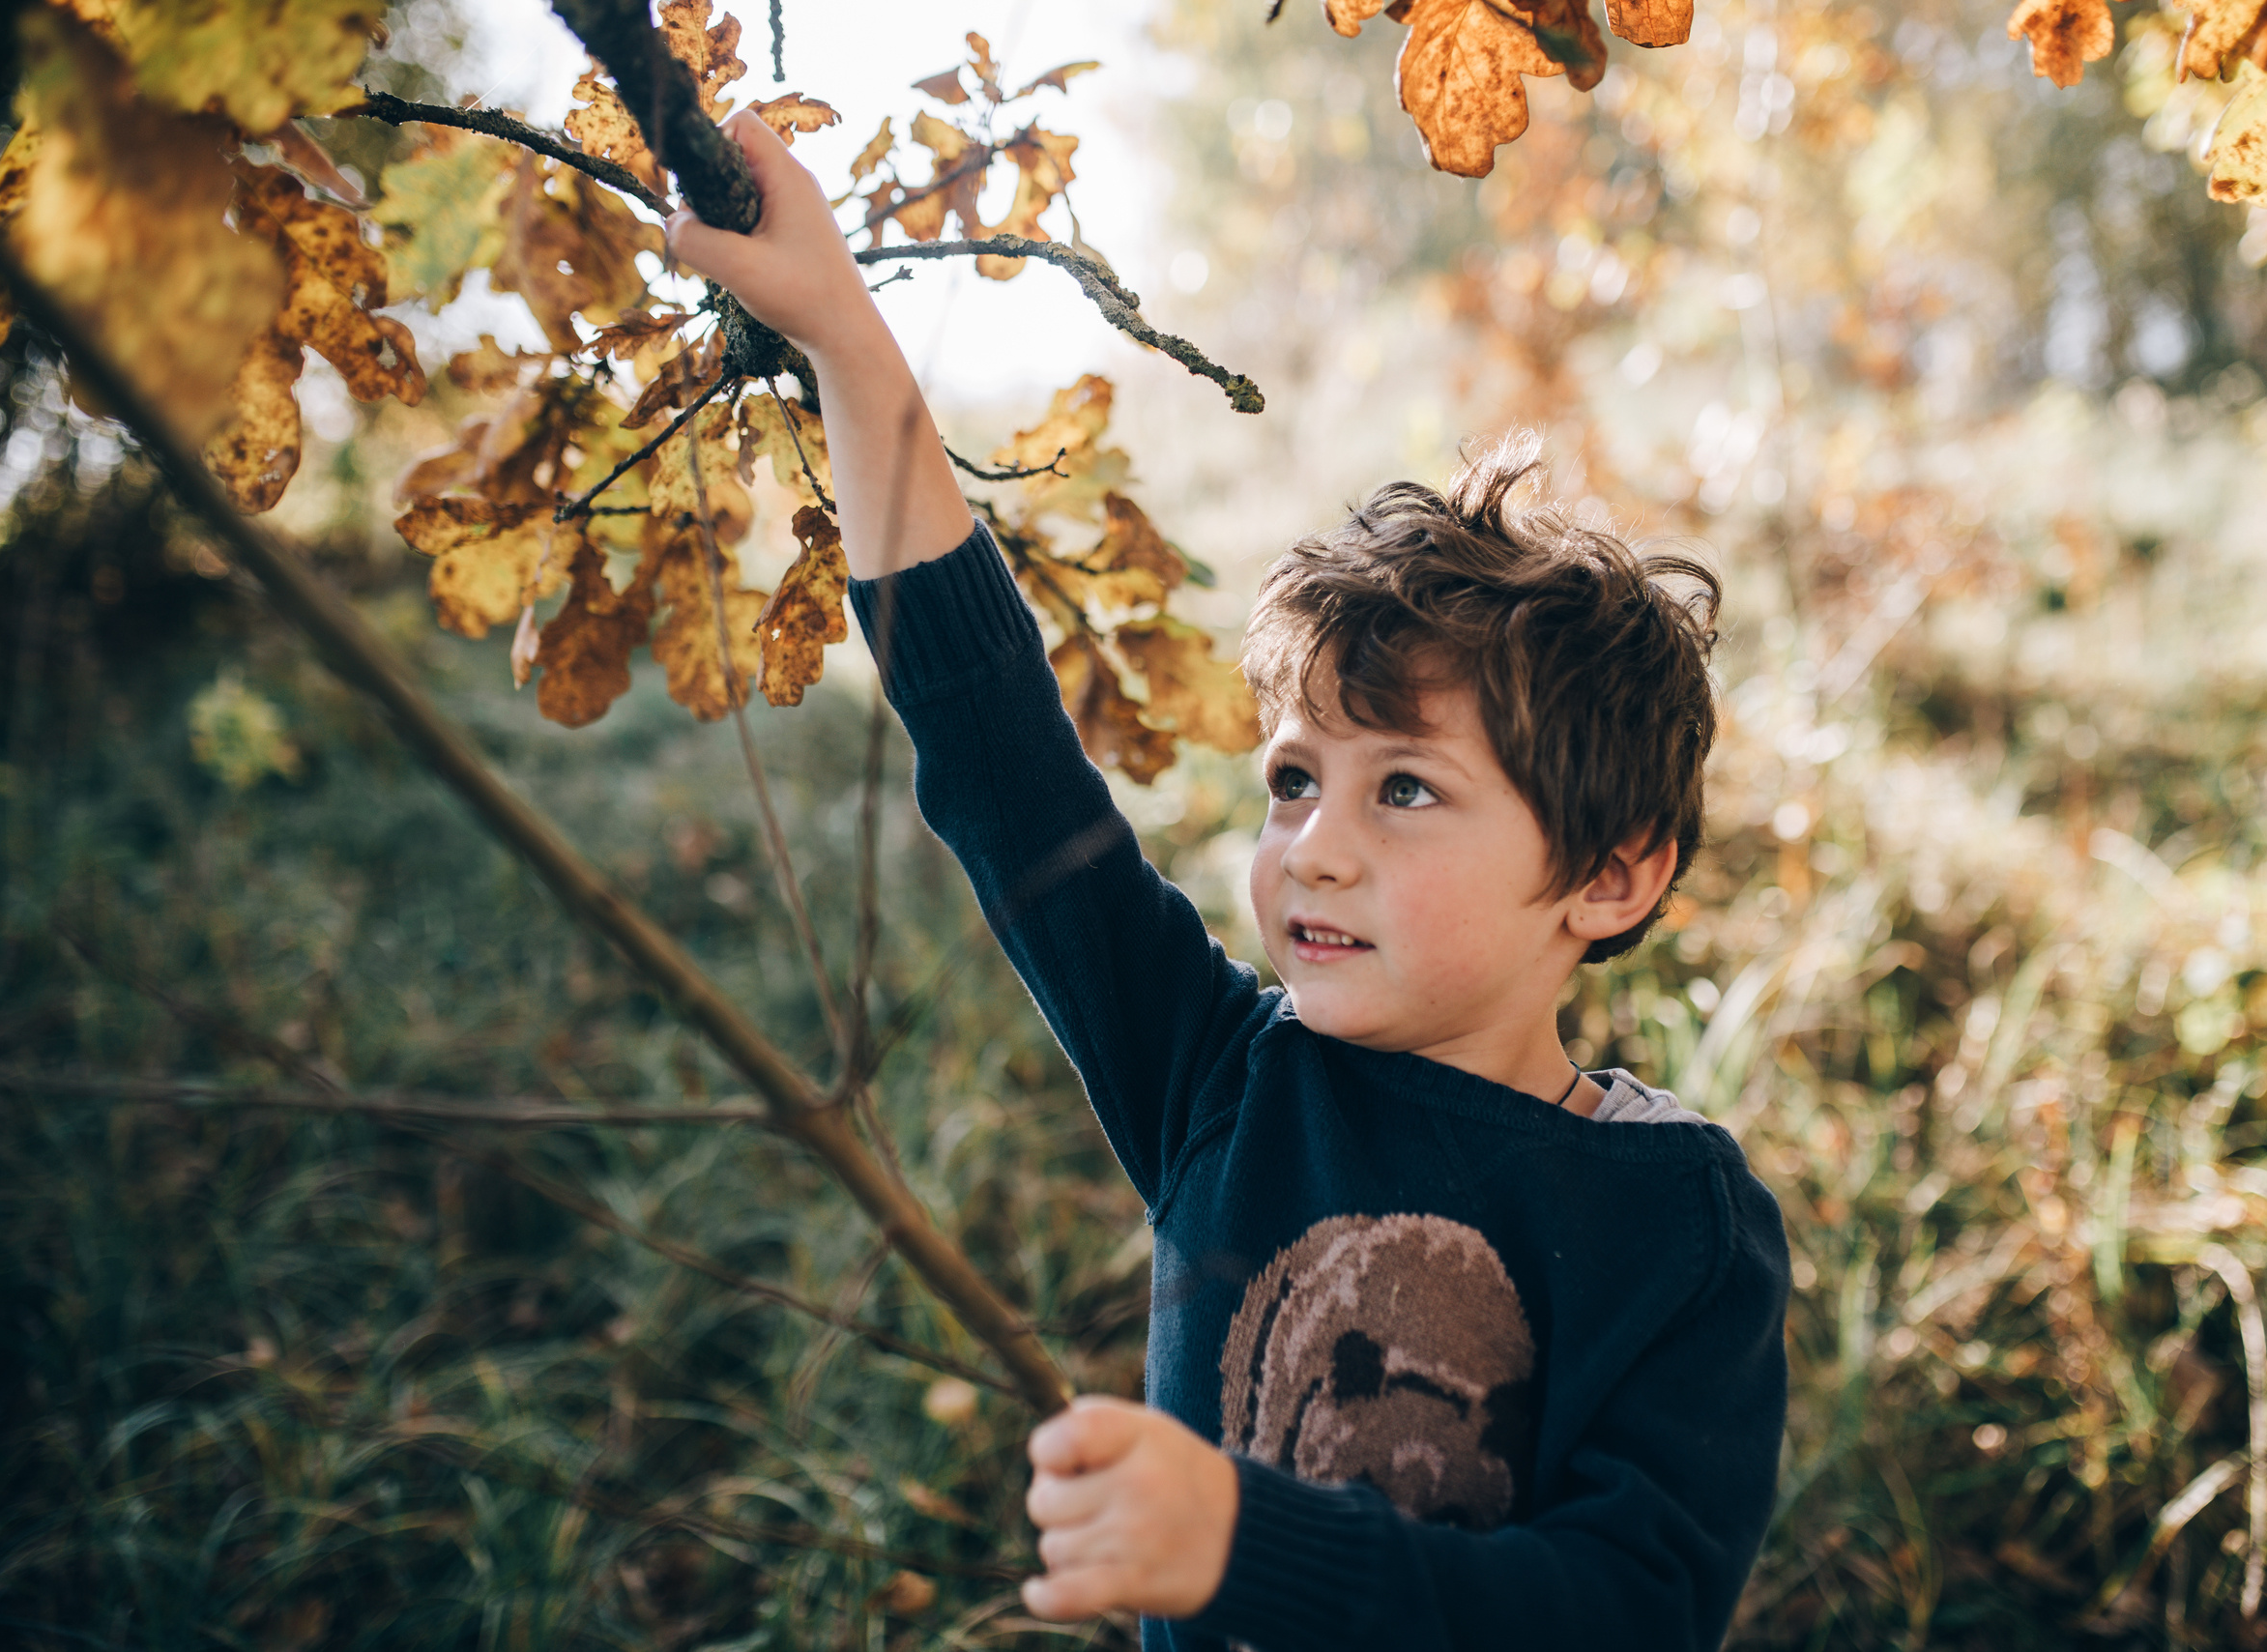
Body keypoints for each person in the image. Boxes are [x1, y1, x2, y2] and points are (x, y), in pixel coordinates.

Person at [669, 108, 1788, 1652]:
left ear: (1609, 872)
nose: (1312, 844)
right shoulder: (1218, 1077)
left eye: (1405, 787)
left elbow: (1622, 1611)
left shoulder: (1676, 1226)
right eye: (1289, 779)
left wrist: (1244, 1545)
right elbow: (1006, 768)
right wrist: (852, 346)